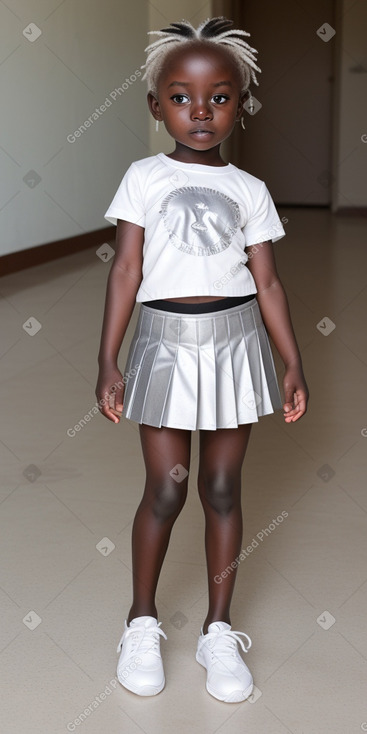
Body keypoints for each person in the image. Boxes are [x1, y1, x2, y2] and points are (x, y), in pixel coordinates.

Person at [96, 16, 309, 703]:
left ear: (238, 104)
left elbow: (268, 282)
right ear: (155, 104)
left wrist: (291, 361)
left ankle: (218, 631)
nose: (199, 111)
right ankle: (141, 620)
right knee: (166, 488)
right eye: (181, 97)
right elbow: (125, 272)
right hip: (161, 342)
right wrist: (109, 359)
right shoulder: (142, 177)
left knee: (221, 489)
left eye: (218, 96)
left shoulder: (249, 189)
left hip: (235, 342)